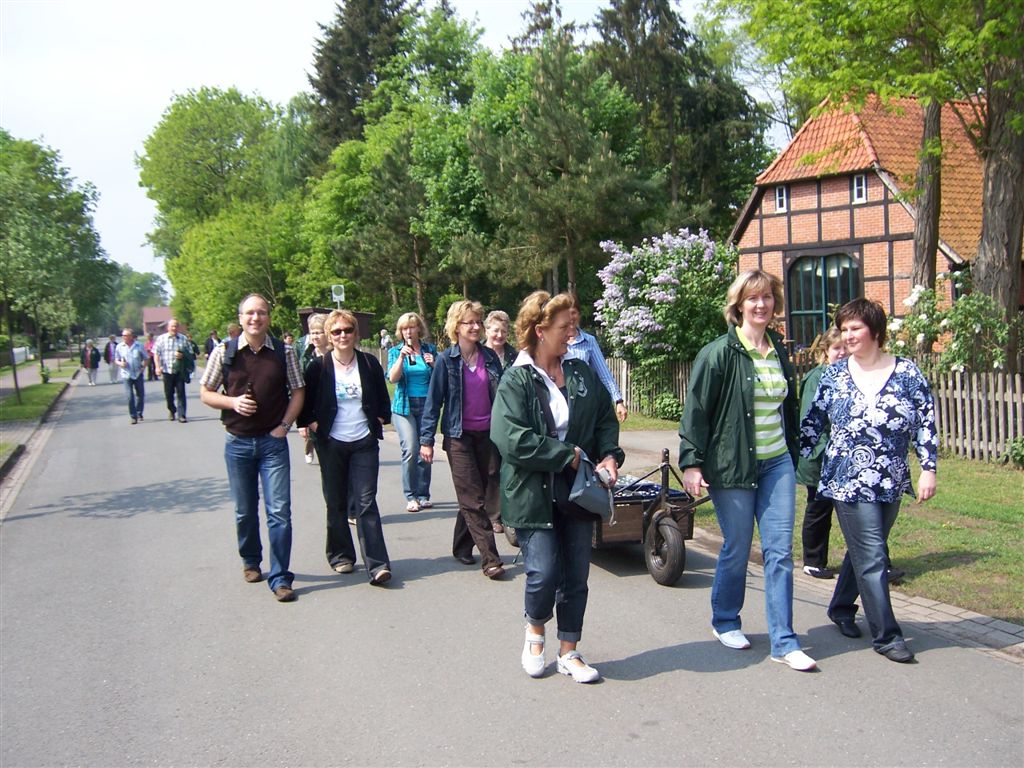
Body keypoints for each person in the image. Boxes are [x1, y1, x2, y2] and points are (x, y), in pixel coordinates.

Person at [678, 269, 816, 672]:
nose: (761, 305)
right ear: (738, 305)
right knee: (737, 547)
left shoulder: (780, 352)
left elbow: (786, 411)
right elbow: (697, 411)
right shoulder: (719, 353)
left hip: (777, 464)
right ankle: (725, 619)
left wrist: (794, 454)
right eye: (753, 298)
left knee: (779, 552)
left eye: (768, 297)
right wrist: (692, 462)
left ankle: (784, 641)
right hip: (733, 465)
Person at [491, 290, 623, 683]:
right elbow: (509, 437)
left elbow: (603, 419)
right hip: (532, 493)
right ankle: (535, 631)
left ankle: (569, 650)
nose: (572, 333)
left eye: (573, 325)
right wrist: (564, 454)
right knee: (543, 572)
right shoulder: (516, 379)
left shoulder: (581, 372)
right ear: (540, 329)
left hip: (579, 492)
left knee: (576, 575)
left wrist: (609, 454)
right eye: (565, 326)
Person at [800, 298, 937, 663]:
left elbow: (925, 421)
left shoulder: (907, 373)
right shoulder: (834, 375)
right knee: (874, 554)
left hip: (891, 479)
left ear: (875, 331)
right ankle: (887, 636)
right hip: (847, 479)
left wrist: (929, 467)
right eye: (844, 329)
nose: (848, 336)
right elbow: (811, 423)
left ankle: (842, 607)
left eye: (855, 328)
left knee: (865, 551)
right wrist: (786, 462)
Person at [199, 293, 305, 603]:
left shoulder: (284, 353)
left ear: (268, 317)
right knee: (245, 511)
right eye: (249, 313)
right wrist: (232, 402)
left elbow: (298, 392)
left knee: (279, 512)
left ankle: (281, 577)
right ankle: (250, 560)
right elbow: (205, 392)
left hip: (273, 444)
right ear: (240, 318)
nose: (255, 318)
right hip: (238, 442)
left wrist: (284, 426)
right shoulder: (225, 352)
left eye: (261, 313)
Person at [298, 310, 394, 585]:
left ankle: (377, 565)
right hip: (331, 443)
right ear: (329, 336)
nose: (342, 335)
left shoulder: (368, 362)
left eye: (347, 330)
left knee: (366, 503)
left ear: (356, 333)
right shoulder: (318, 367)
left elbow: (382, 400)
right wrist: (318, 428)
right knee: (336, 502)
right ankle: (341, 556)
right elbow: (305, 410)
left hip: (363, 442)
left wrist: (377, 420)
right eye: (337, 331)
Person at [420, 300, 505, 578]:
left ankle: (461, 545)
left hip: (488, 436)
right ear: (456, 326)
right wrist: (426, 440)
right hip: (458, 437)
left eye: (478, 322)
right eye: (469, 322)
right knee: (473, 498)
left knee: (477, 493)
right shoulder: (447, 360)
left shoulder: (490, 358)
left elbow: (503, 398)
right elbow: (434, 403)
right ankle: (491, 559)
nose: (475, 327)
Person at [797, 326, 846, 579]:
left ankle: (877, 562)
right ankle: (813, 561)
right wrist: (821, 451)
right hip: (820, 458)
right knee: (819, 510)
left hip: (844, 458)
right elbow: (810, 419)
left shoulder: (850, 376)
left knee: (859, 513)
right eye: (837, 348)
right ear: (825, 351)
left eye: (846, 348)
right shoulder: (817, 378)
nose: (842, 353)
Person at [387, 312, 437, 513]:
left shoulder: (429, 349)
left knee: (425, 449)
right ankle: (411, 495)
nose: (409, 331)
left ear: (419, 329)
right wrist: (401, 357)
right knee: (410, 448)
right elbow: (392, 378)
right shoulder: (395, 351)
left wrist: (434, 363)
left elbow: (440, 378)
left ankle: (423, 494)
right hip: (404, 406)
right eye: (405, 328)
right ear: (401, 331)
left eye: (412, 327)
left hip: (426, 405)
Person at [566, 296, 628, 423]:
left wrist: (618, 401)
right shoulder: (555, 341)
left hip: (584, 402)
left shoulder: (589, 341)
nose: (570, 318)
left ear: (579, 315)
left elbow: (604, 373)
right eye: (566, 314)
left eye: (574, 313)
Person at [299, 313, 331, 466]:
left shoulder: (337, 355)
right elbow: (300, 389)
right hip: (314, 413)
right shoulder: (306, 358)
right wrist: (303, 422)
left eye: (319, 332)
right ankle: (309, 448)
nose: (316, 336)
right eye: (313, 333)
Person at [153, 318, 193, 422]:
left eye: (176, 326)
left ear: (178, 327)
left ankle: (182, 415)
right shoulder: (161, 339)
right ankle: (172, 410)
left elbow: (190, 354)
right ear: (168, 327)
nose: (174, 328)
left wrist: (183, 355)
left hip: (179, 370)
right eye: (172, 326)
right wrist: (157, 367)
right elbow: (156, 353)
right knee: (168, 394)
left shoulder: (183, 339)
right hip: (167, 370)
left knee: (181, 393)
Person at [114, 328, 147, 424]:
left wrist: (143, 367)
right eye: (123, 335)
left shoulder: (139, 346)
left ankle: (139, 411)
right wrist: (120, 364)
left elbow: (146, 358)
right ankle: (133, 416)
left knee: (140, 395)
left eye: (126, 335)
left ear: (131, 336)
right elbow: (116, 359)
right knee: (129, 396)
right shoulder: (120, 347)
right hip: (126, 374)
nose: (124, 337)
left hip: (137, 374)